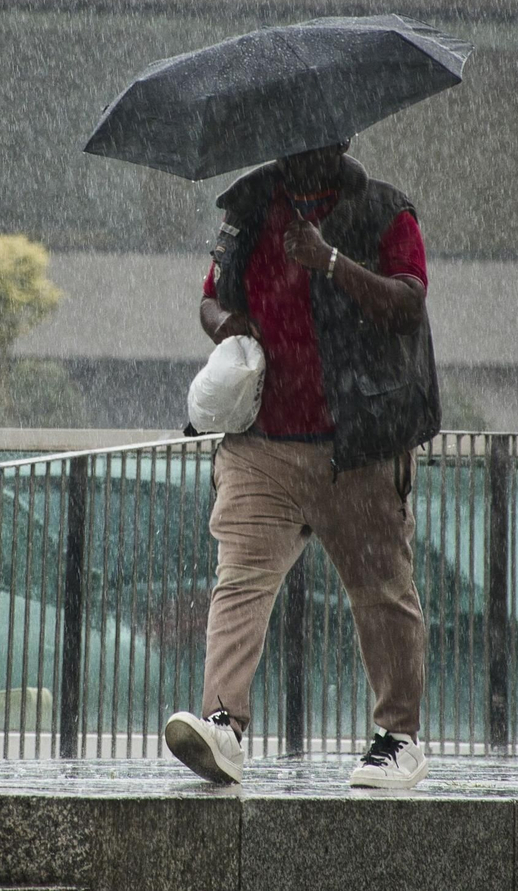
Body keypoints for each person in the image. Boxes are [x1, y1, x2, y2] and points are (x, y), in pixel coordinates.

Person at [164, 139, 441, 789]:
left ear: (339, 143)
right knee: (240, 581)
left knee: (382, 594)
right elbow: (209, 297)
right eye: (285, 140)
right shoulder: (251, 208)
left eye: (310, 141)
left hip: (360, 445)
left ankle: (398, 740)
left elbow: (407, 303)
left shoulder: (383, 212)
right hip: (262, 444)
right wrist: (229, 323)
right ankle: (224, 727)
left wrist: (331, 261)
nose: (294, 154)